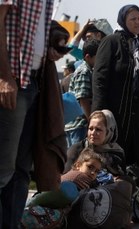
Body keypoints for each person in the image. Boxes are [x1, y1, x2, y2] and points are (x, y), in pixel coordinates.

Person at [0, 1, 70, 227]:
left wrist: (52, 41)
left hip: (34, 80)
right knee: (3, 170)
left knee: (21, 170)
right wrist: (3, 77)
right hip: (12, 80)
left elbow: (35, 29)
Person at [92, 4, 139, 168]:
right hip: (113, 114)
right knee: (109, 160)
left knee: (133, 162)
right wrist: (98, 114)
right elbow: (99, 78)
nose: (138, 22)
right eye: (133, 18)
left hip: (136, 118)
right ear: (123, 20)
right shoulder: (111, 42)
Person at [64, 109, 126, 177]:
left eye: (98, 129)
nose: (93, 133)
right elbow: (65, 175)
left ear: (108, 132)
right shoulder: (78, 148)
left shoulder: (116, 153)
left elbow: (121, 177)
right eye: (90, 129)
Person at [65, 38, 100, 148]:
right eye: (98, 57)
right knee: (76, 159)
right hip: (79, 125)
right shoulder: (83, 71)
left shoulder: (90, 70)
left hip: (81, 124)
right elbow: (83, 99)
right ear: (88, 57)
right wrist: (92, 121)